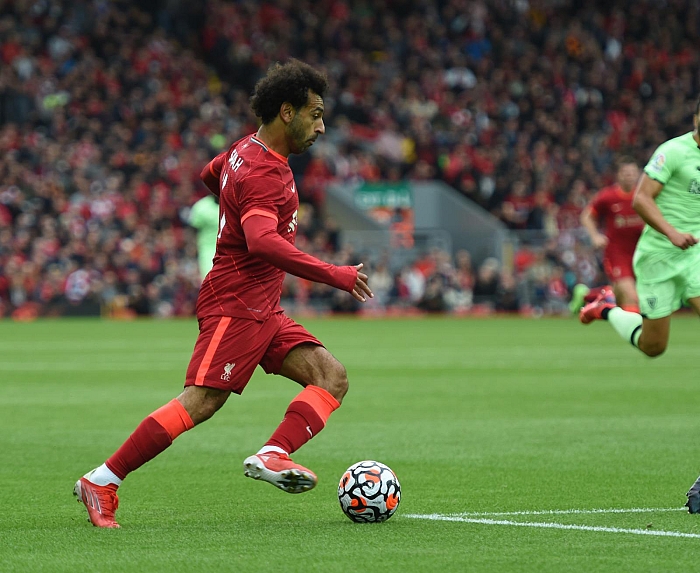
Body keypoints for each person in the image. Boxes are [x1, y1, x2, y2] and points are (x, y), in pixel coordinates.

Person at [73, 59, 373, 528]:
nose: (322, 126)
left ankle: (273, 453)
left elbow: (211, 174)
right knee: (201, 401)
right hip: (236, 303)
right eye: (315, 114)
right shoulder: (264, 172)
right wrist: (334, 273)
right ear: (287, 112)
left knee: (331, 376)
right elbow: (262, 241)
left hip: (263, 307)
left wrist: (232, 205)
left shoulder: (243, 151)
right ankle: (102, 480)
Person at [577, 98, 700, 512]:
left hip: (696, 257)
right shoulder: (673, 151)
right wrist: (672, 232)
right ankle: (607, 308)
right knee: (653, 345)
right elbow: (643, 200)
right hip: (659, 256)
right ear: (696, 118)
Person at [570, 157, 644, 313]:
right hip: (617, 253)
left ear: (638, 174)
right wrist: (595, 236)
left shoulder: (643, 195)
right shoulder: (608, 196)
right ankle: (636, 328)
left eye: (632, 173)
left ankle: (586, 295)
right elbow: (586, 216)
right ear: (618, 175)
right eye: (625, 173)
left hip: (640, 252)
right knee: (632, 297)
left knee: (619, 296)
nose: (629, 176)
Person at [188, 193, 220, 280]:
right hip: (208, 251)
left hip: (231, 249)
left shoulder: (232, 205)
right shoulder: (201, 207)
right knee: (210, 279)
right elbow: (192, 230)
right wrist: (193, 248)